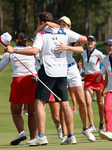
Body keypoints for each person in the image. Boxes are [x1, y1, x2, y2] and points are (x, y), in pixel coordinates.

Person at [5, 11, 87, 146]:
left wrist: (14, 50)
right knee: (66, 104)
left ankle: (41, 136)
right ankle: (71, 136)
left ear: (41, 23)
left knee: (39, 103)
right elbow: (83, 39)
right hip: (62, 71)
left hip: (47, 72)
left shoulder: (41, 34)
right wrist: (67, 46)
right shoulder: (64, 32)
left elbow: (34, 51)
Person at [33, 15, 95, 144]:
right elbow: (36, 34)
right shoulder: (50, 35)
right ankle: (66, 134)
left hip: (70, 69)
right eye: (59, 24)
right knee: (62, 101)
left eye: (64, 24)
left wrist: (67, 47)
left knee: (81, 101)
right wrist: (45, 25)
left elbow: (80, 48)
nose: (61, 26)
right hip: (57, 70)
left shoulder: (68, 35)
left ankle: (85, 128)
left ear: (69, 27)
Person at [0, 30, 37, 145]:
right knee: (32, 112)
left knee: (16, 111)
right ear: (26, 41)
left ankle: (21, 132)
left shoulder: (9, 54)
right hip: (33, 80)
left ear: (15, 41)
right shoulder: (33, 51)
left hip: (18, 81)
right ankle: (32, 139)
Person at [82, 35, 105, 132]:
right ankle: (91, 124)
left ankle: (101, 123)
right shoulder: (83, 53)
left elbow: (106, 63)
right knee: (88, 102)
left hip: (97, 78)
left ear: (95, 43)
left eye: (92, 41)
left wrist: (101, 73)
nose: (90, 42)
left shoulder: (98, 53)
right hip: (88, 79)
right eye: (88, 41)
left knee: (100, 103)